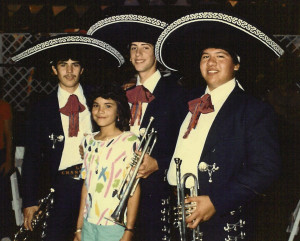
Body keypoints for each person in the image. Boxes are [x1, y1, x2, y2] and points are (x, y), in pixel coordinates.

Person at [155, 11, 284, 240]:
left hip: (221, 218)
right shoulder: (189, 103)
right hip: (177, 211)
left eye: (220, 56)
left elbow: (266, 169)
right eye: (205, 56)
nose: (211, 62)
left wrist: (216, 202)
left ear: (236, 65)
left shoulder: (254, 110)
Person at [11, 34, 125, 241]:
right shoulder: (41, 108)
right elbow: (32, 158)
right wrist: (29, 201)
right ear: (54, 70)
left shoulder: (98, 100)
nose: (70, 71)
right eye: (64, 65)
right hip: (59, 187)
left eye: (75, 65)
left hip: (96, 184)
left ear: (82, 69)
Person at [87, 14, 189, 241]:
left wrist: (159, 163)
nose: (138, 54)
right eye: (133, 48)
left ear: (157, 54)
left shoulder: (176, 94)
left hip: (154, 189)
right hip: (115, 187)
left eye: (145, 47)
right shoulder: (121, 93)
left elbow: (187, 142)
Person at [74, 83, 140, 241]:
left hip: (114, 226)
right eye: (96, 105)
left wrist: (129, 230)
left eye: (108, 106)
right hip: (89, 223)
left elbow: (134, 188)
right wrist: (79, 227)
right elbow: (86, 186)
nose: (100, 111)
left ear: (119, 111)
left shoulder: (129, 141)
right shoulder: (88, 141)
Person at [0, 77, 14, 240]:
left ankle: (4, 234)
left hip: (1, 154)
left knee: (2, 197)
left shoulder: (4, 106)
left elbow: (9, 135)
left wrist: (9, 160)